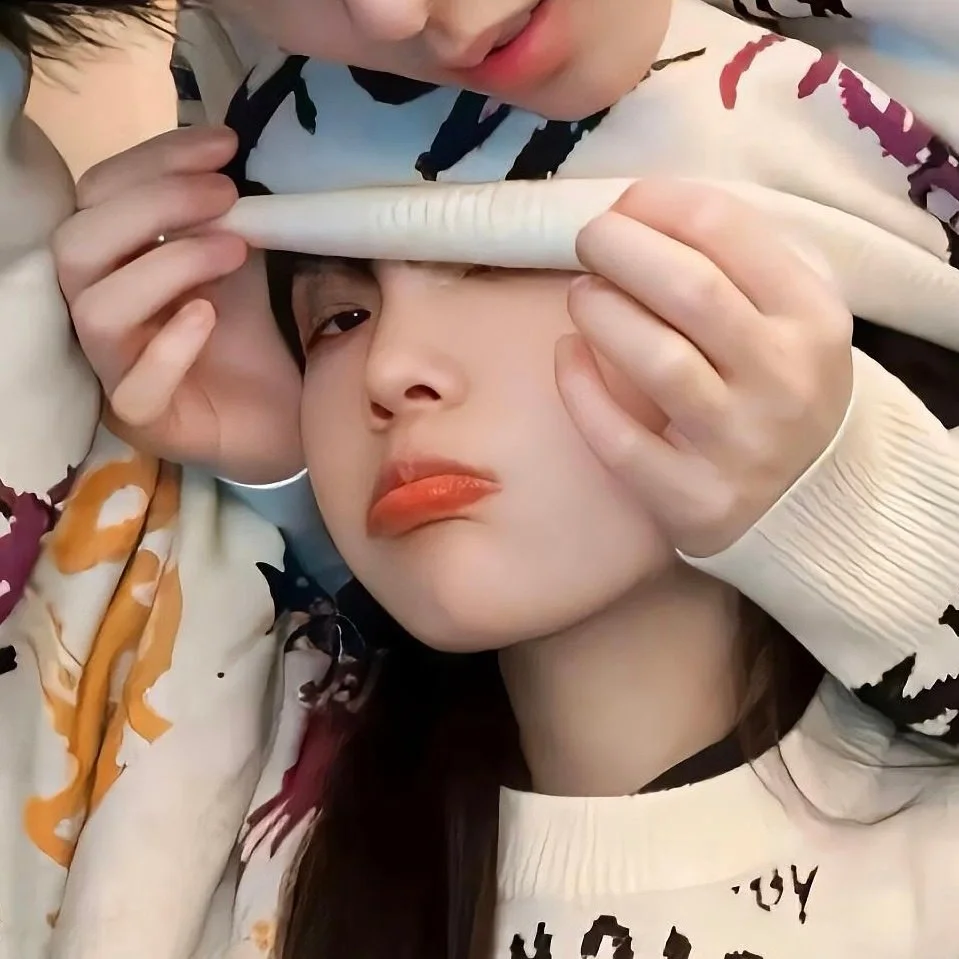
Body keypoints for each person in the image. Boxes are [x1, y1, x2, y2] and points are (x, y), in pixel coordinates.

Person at [270, 232, 959, 959]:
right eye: (339, 319)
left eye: (494, 258)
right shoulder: (266, 800)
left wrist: (850, 503)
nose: (386, 369)